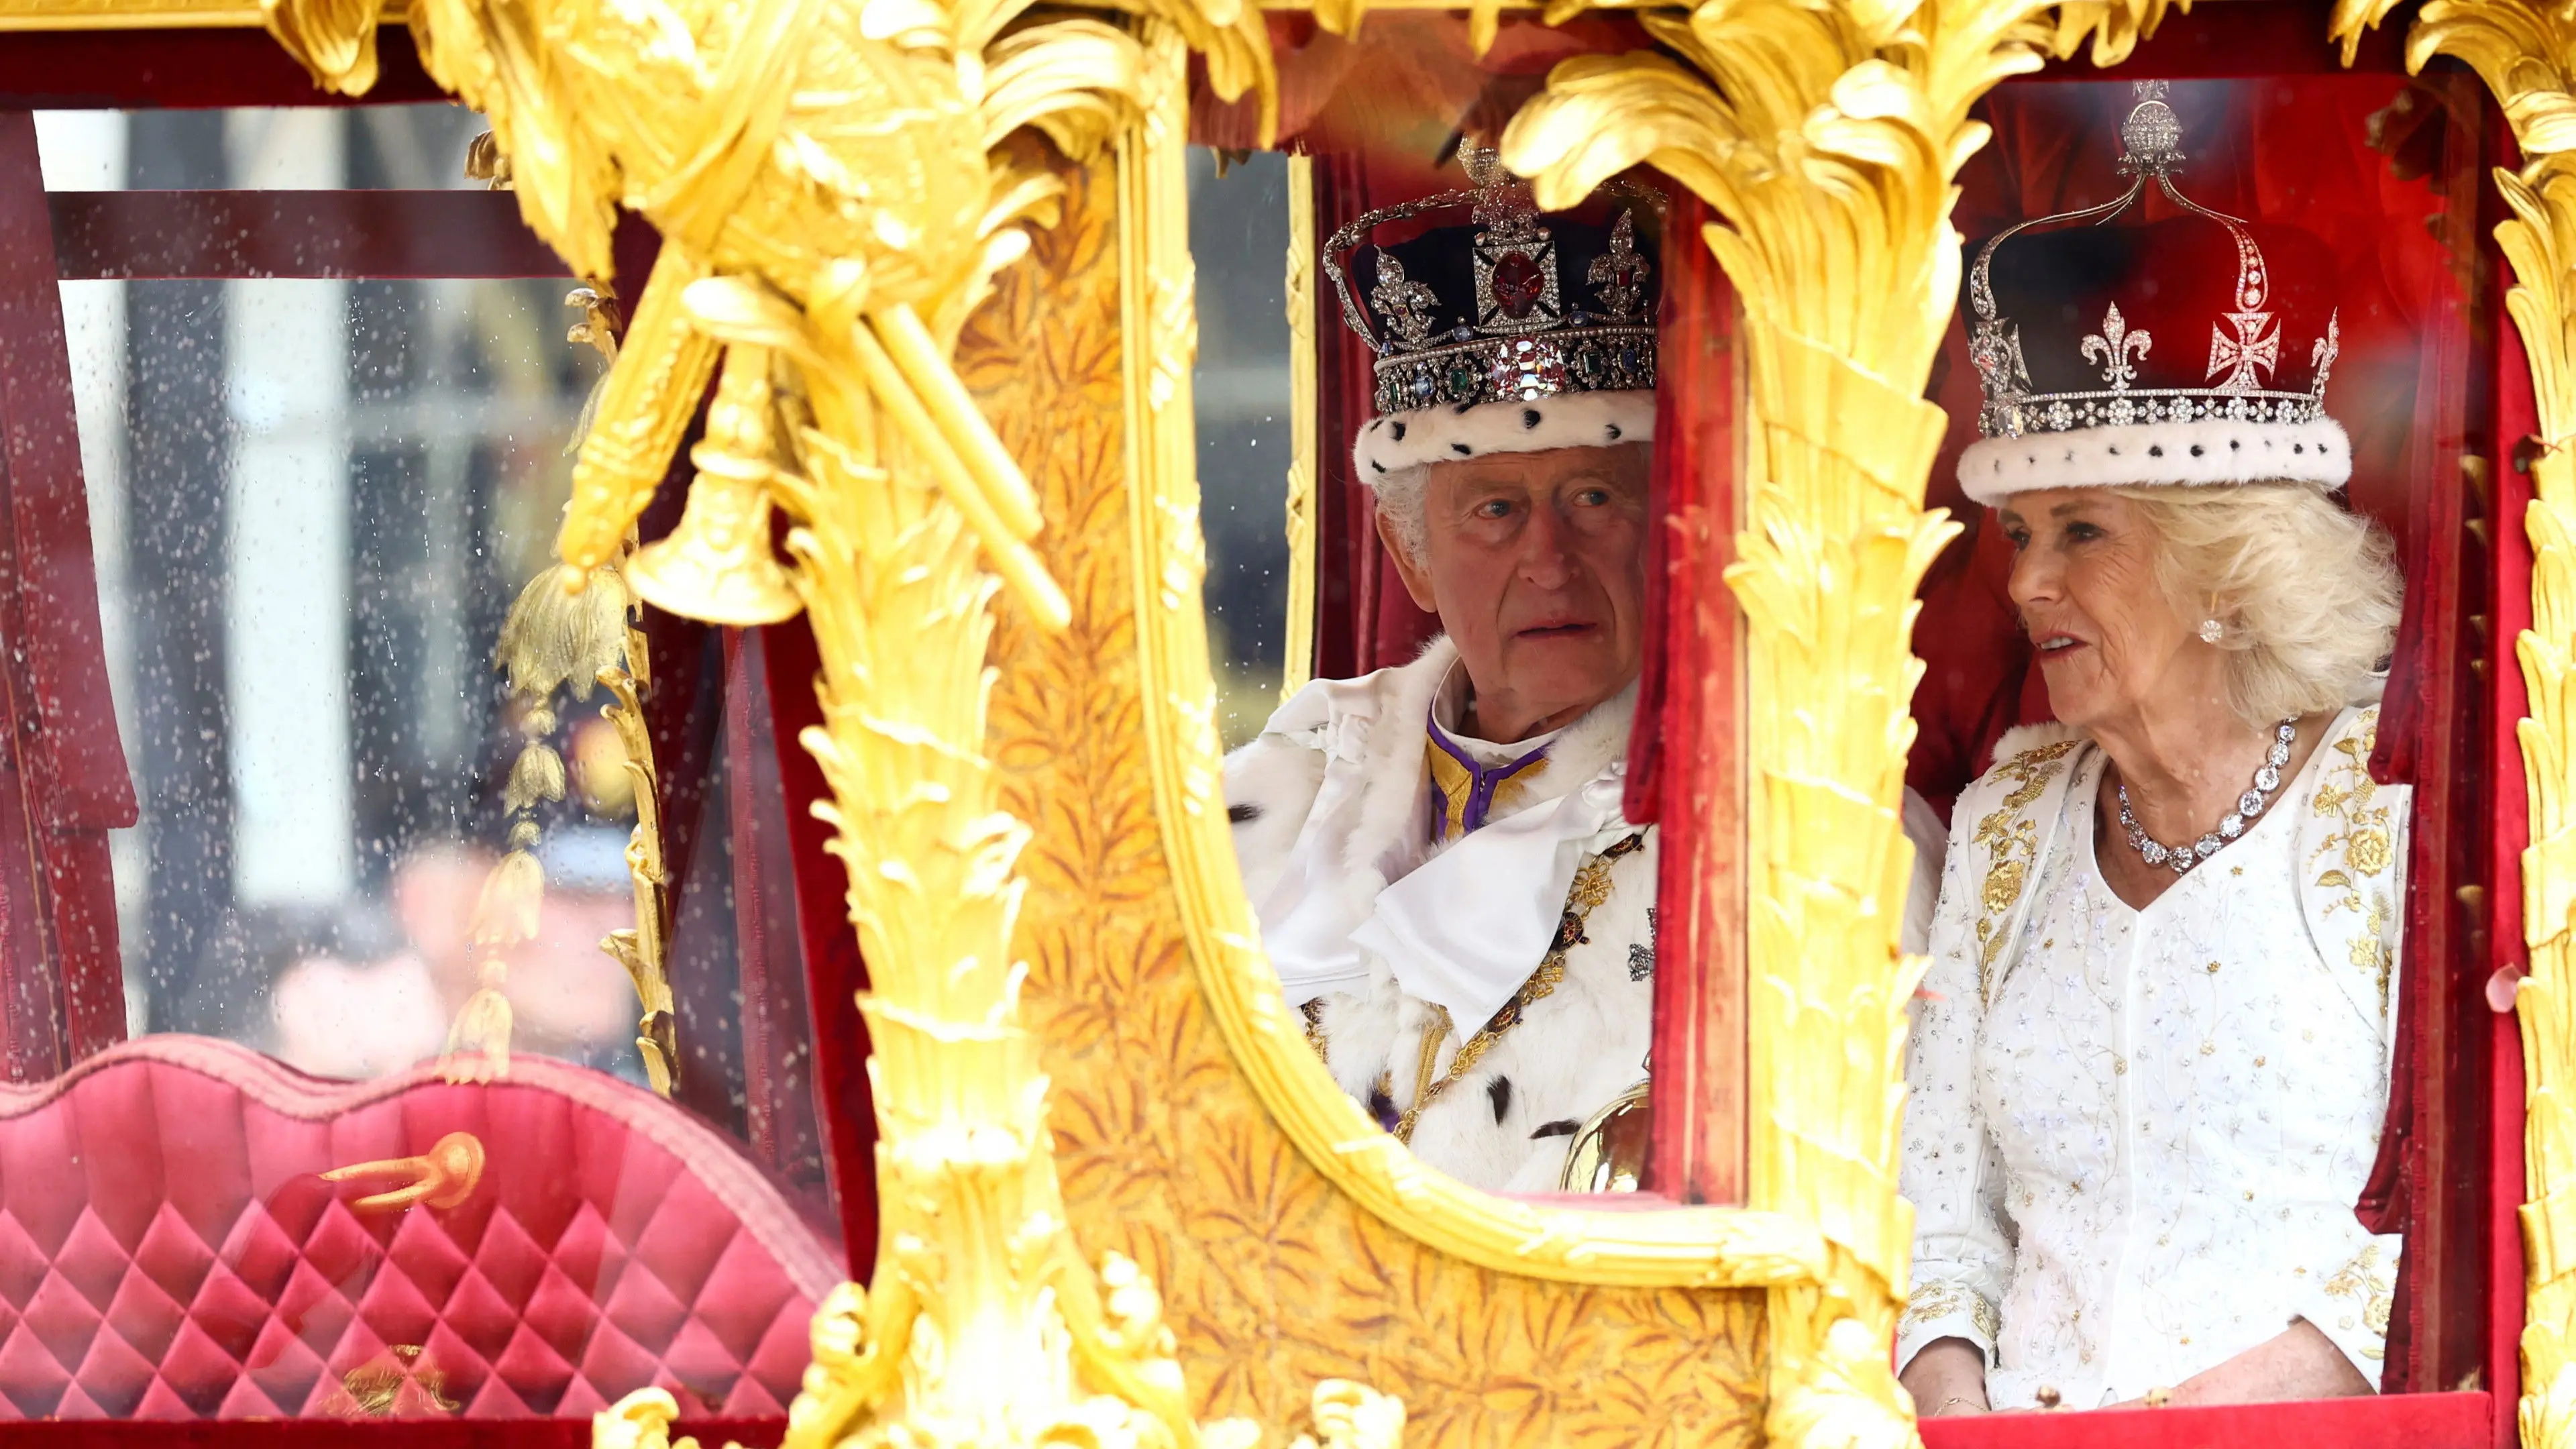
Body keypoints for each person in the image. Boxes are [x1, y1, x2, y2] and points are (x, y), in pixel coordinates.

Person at [1226, 146, 1945, 1193]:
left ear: (1674, 529)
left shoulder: (1804, 824)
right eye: (1495, 510)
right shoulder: (1291, 778)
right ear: (1409, 558)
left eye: (1595, 499)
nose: (1549, 560)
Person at [1898, 86, 2409, 1414]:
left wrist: (2166, 1437)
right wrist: (1960, 1424)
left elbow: (2424, 1244)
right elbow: (1941, 1226)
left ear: (2226, 568)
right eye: (2021, 534)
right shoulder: (2007, 821)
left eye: (2084, 532)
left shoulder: (2388, 805)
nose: (2025, 584)